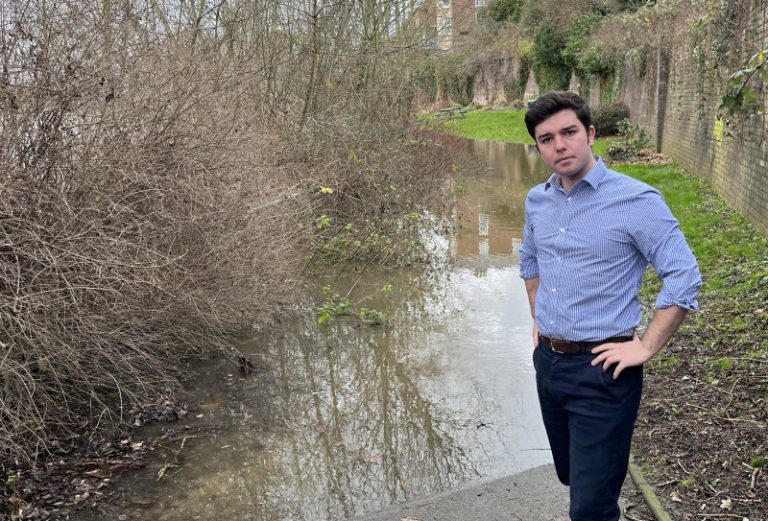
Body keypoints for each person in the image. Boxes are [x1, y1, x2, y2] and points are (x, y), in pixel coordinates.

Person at [519, 91, 702, 521]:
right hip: (548, 364)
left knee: (590, 507)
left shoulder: (636, 201)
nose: (559, 145)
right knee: (571, 476)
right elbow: (530, 258)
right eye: (546, 139)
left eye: (568, 133)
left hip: (604, 372)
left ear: (591, 134)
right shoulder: (537, 200)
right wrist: (538, 319)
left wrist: (645, 348)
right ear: (538, 147)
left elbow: (684, 275)